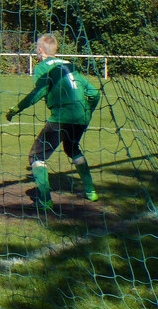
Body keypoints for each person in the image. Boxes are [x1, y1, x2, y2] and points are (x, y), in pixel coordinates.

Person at [5, 34, 100, 210]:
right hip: (82, 117)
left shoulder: (43, 68)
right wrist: (87, 111)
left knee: (36, 156)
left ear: (40, 50)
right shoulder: (70, 65)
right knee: (72, 148)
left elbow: (38, 93)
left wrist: (16, 109)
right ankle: (90, 191)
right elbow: (95, 93)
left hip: (61, 117)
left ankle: (45, 200)